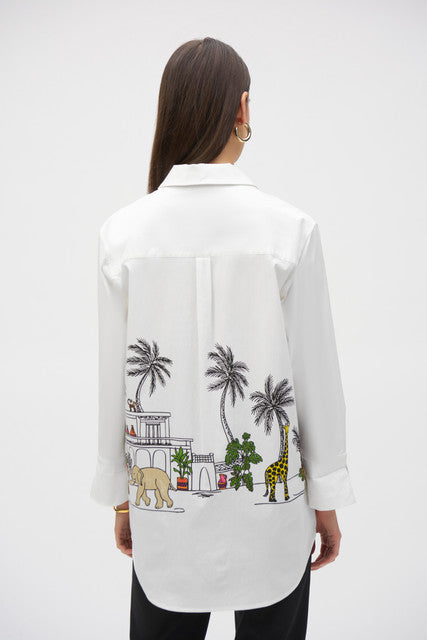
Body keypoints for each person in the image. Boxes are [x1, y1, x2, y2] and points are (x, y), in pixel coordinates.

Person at [90, 37, 356, 640]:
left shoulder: (121, 235)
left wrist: (123, 496)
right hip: (275, 520)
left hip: (165, 525)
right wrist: (326, 498)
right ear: (242, 107)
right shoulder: (290, 230)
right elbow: (315, 376)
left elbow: (114, 379)